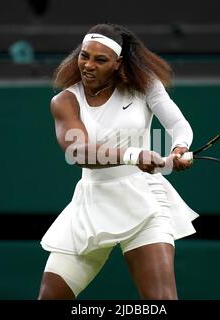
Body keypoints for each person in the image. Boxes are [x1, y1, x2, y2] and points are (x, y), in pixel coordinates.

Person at [38, 23, 199, 300]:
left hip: (145, 200)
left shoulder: (145, 86)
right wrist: (134, 155)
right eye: (84, 55)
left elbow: (178, 124)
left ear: (117, 62)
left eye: (100, 60)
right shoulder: (64, 100)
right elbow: (77, 151)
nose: (88, 65)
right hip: (90, 205)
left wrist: (180, 147)